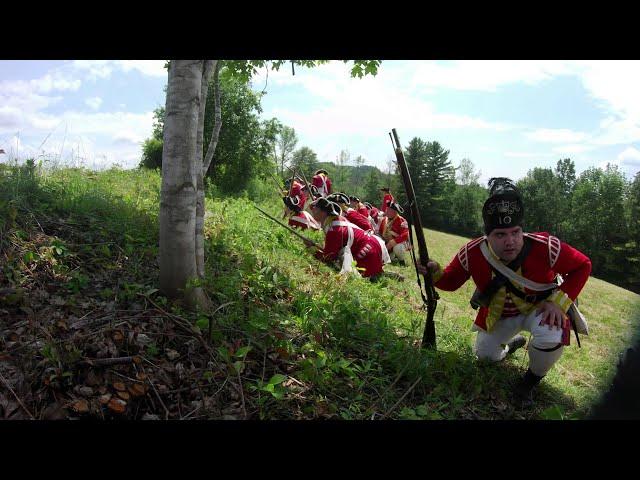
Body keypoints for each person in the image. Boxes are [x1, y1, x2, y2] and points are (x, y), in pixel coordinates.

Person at [418, 178, 592, 405]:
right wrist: (435, 272)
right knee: (485, 356)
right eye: (500, 234)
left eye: (515, 232)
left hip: (540, 310)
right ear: (487, 235)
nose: (510, 241)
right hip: (500, 316)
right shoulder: (472, 252)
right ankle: (511, 345)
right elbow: (450, 282)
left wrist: (557, 303)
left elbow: (583, 266)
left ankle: (528, 383)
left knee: (552, 332)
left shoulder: (545, 245)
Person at [307, 197, 389, 279]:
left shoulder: (334, 230)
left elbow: (328, 257)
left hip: (368, 251)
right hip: (372, 244)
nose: (313, 210)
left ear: (323, 212)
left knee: (354, 273)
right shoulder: (336, 220)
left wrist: (312, 249)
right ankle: (379, 272)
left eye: (315, 208)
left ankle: (372, 274)